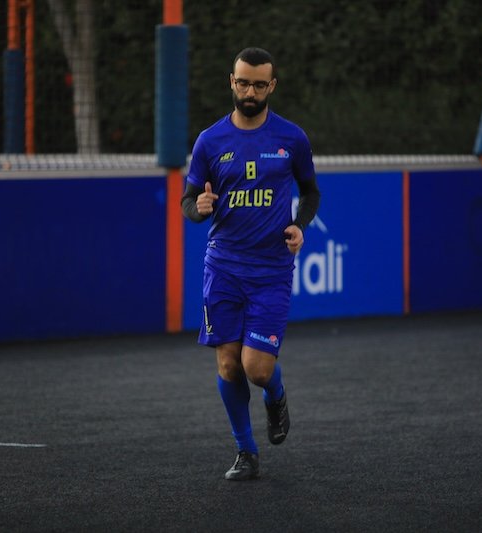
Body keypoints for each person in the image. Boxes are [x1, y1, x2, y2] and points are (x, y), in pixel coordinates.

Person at [181, 47, 321, 481]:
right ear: (232, 81)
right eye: (243, 83)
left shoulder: (292, 138)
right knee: (228, 364)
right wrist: (199, 207)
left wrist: (299, 224)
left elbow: (311, 192)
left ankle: (275, 395)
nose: (250, 92)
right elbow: (188, 201)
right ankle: (246, 451)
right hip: (223, 266)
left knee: (257, 369)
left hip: (271, 270)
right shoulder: (209, 140)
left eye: (259, 85)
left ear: (271, 86)